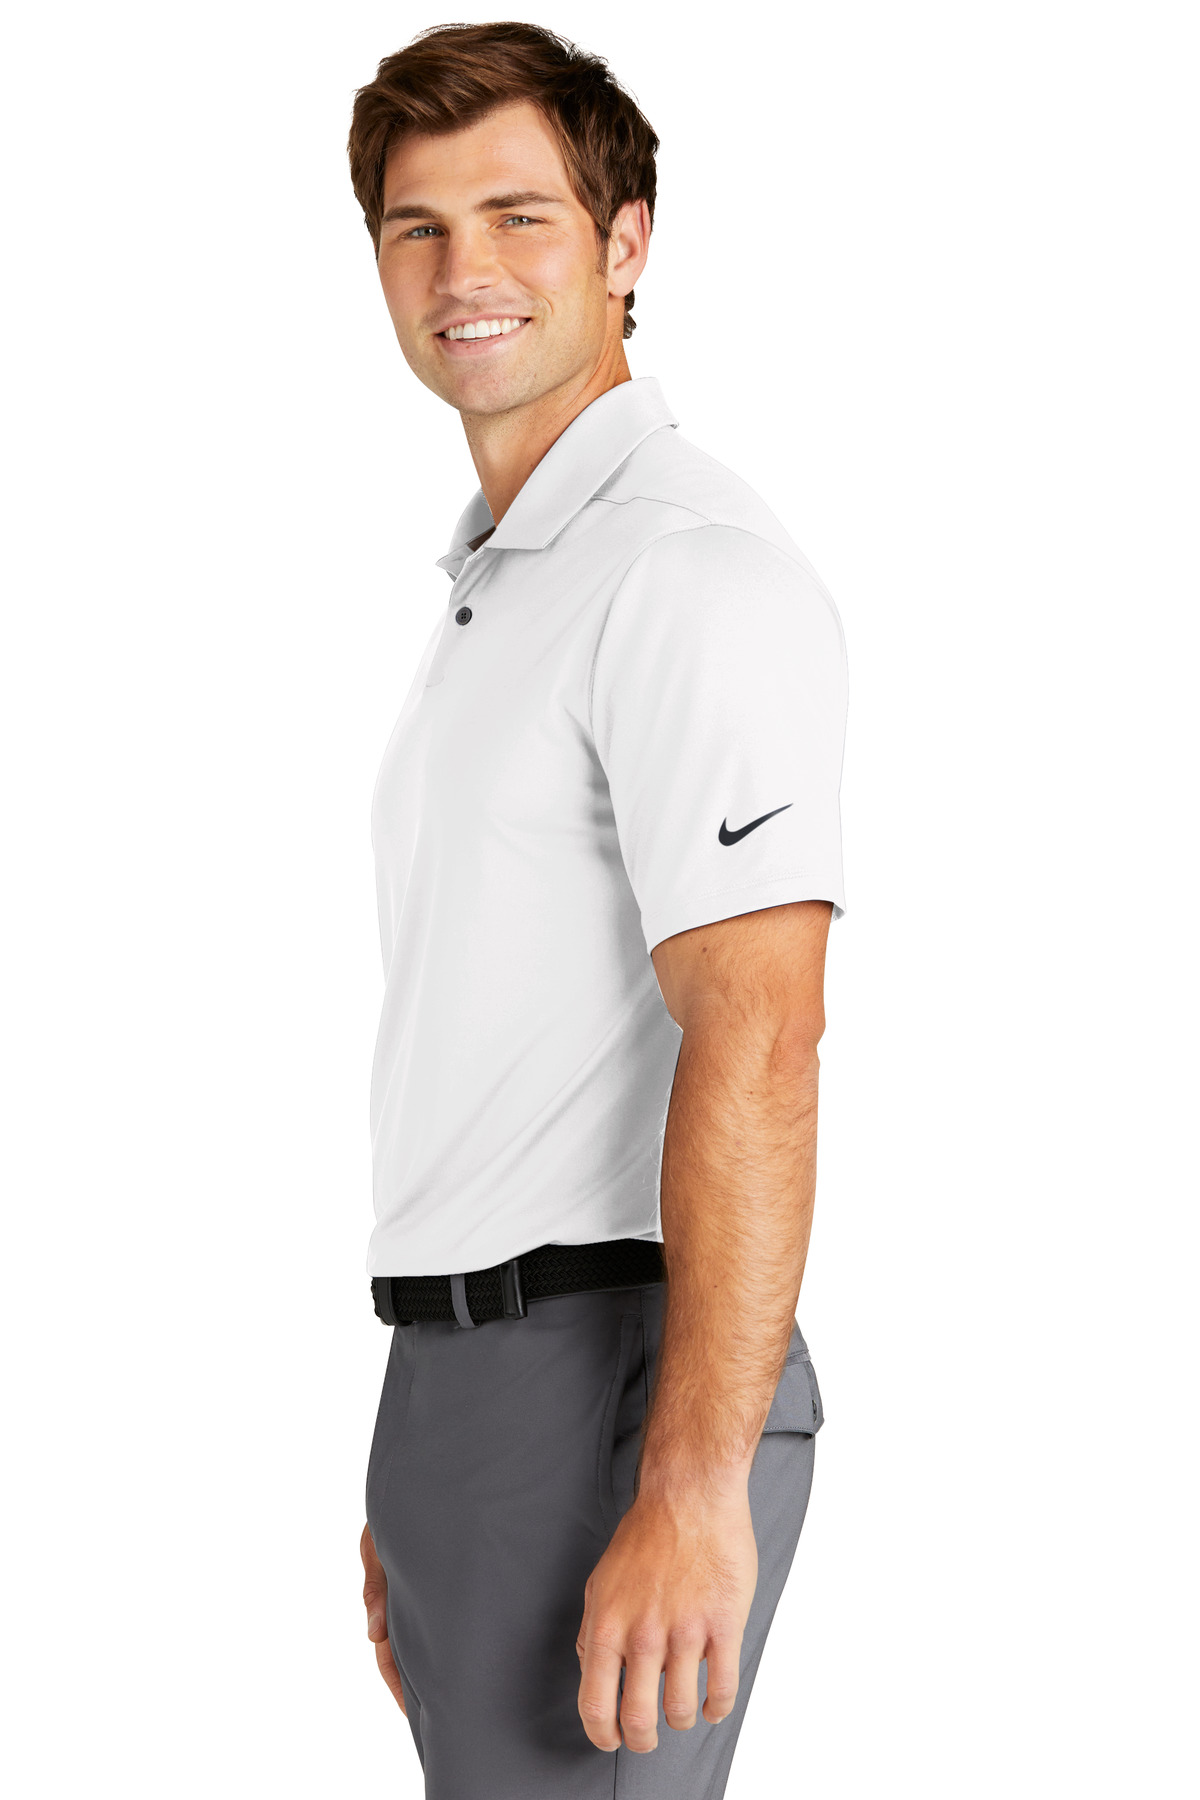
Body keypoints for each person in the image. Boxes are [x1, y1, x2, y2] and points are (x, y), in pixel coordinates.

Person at [347, 22, 847, 1799]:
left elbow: (763, 1029)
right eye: (416, 229)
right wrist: (427, 1455)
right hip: (478, 1387)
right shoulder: (508, 582)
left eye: (519, 217)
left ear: (627, 242)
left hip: (613, 1384)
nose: (462, 273)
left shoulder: (682, 570)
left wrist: (693, 1482)